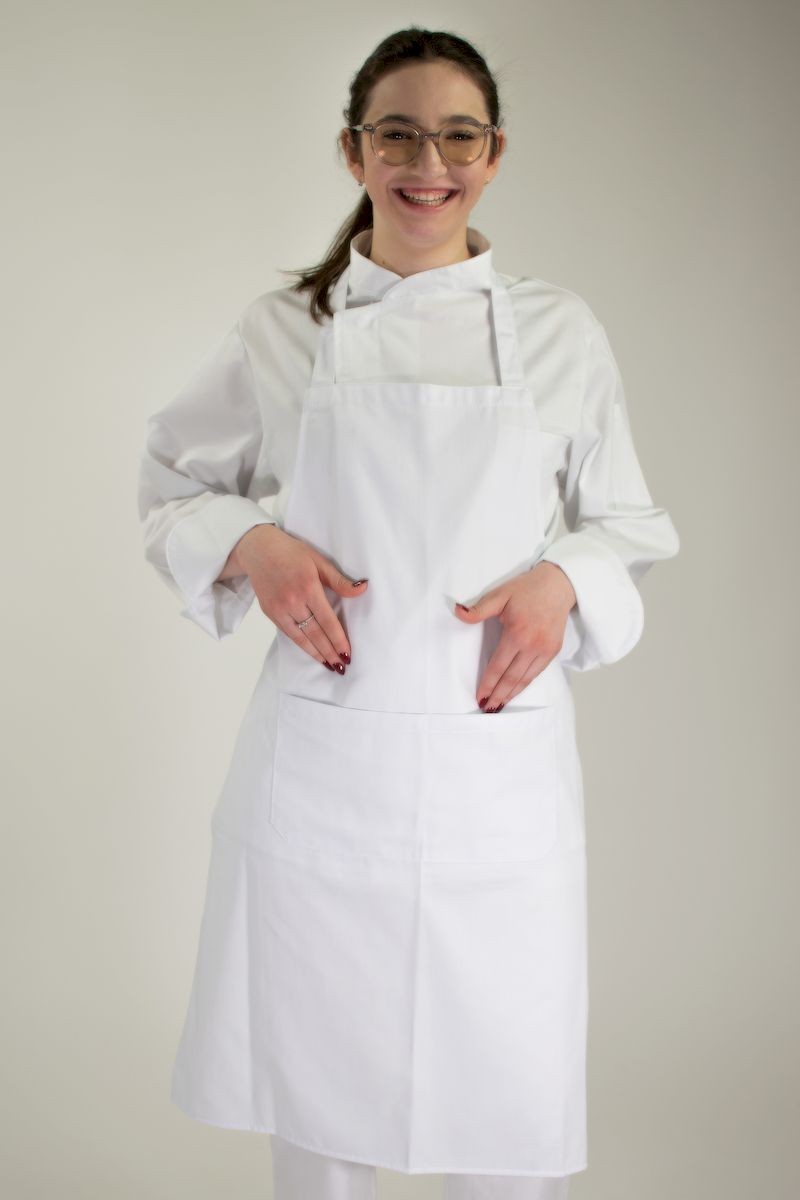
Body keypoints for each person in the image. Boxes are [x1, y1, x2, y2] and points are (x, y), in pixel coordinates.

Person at [138, 26, 680, 1200]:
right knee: (318, 1091)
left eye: (456, 137)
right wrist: (253, 543)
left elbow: (627, 525)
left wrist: (561, 582)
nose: (426, 164)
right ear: (353, 151)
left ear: (493, 154)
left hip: (496, 778)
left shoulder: (558, 332)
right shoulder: (285, 330)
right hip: (323, 773)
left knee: (505, 1092)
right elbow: (172, 483)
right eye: (396, 135)